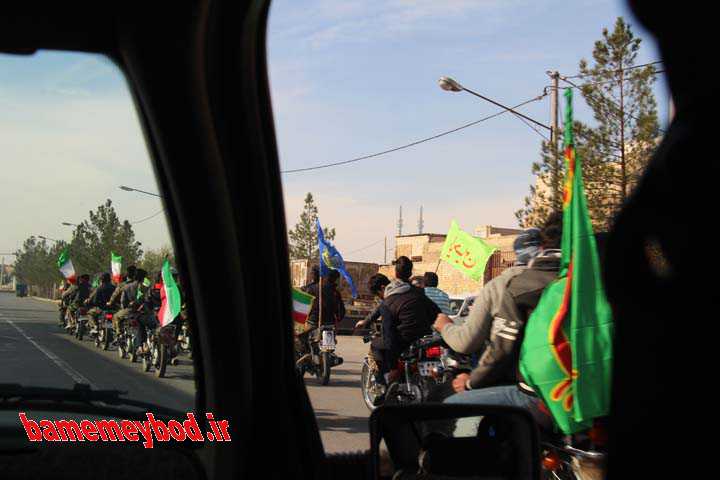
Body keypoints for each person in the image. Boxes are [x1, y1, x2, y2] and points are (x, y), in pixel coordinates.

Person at [438, 213, 563, 431]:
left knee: (447, 408)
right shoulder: (591, 281)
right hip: (585, 396)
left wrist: (470, 382)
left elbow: (493, 349)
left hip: (536, 394)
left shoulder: (515, 286)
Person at [433, 227, 543, 357]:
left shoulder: (498, 287)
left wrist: (445, 326)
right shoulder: (564, 281)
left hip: (513, 371)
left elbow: (466, 342)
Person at [377, 256, 440, 386]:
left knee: (377, 345)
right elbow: (436, 313)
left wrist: (393, 367)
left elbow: (388, 334)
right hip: (424, 337)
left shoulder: (388, 302)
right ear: (410, 273)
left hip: (404, 340)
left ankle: (383, 384)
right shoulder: (419, 294)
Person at [296, 269, 345, 366]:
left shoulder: (311, 289)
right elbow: (341, 311)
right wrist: (337, 319)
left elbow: (302, 306)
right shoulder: (335, 292)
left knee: (299, 334)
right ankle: (326, 355)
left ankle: (306, 353)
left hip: (313, 322)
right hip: (330, 324)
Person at [112, 268, 145, 341]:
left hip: (131, 310)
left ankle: (119, 334)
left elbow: (122, 300)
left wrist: (124, 307)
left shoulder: (126, 286)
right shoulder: (146, 286)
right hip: (144, 311)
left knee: (116, 316)